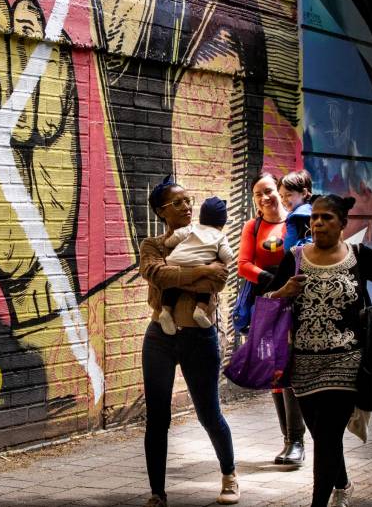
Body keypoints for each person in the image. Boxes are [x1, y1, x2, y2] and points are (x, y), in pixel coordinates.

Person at [267, 194, 372, 507]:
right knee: (324, 437)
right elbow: (267, 302)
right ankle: (343, 484)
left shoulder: (359, 256)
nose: (319, 223)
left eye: (327, 218)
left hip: (346, 361)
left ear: (342, 224)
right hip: (304, 366)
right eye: (315, 218)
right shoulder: (295, 257)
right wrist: (283, 292)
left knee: (327, 437)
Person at [139, 177, 240, 506]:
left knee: (208, 413)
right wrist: (200, 271)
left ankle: (229, 475)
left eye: (187, 200)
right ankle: (157, 493)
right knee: (158, 418)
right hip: (159, 338)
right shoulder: (152, 246)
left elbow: (221, 277)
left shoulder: (208, 236)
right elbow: (157, 274)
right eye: (177, 203)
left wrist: (182, 270)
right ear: (160, 211)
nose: (186, 207)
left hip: (199, 336)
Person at [237, 171, 306, 465]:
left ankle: (297, 441)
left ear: (279, 191)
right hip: (266, 305)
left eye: (268, 191)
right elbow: (243, 265)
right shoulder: (253, 227)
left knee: (289, 370)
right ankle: (288, 440)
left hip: (295, 306)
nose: (264, 198)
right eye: (258, 194)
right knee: (275, 373)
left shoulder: (297, 222)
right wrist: (272, 280)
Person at [157, 196, 234, 334]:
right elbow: (227, 256)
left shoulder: (192, 227)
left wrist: (168, 243)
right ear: (222, 223)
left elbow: (176, 237)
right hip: (199, 263)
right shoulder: (220, 236)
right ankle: (200, 309)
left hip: (176, 260)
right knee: (206, 283)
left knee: (172, 284)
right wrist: (224, 260)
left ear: (202, 217)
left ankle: (166, 311)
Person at [278, 170, 313, 251]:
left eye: (288, 195)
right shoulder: (300, 214)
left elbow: (310, 241)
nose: (283, 200)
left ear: (304, 193)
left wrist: (295, 251)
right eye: (281, 196)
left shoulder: (302, 216)